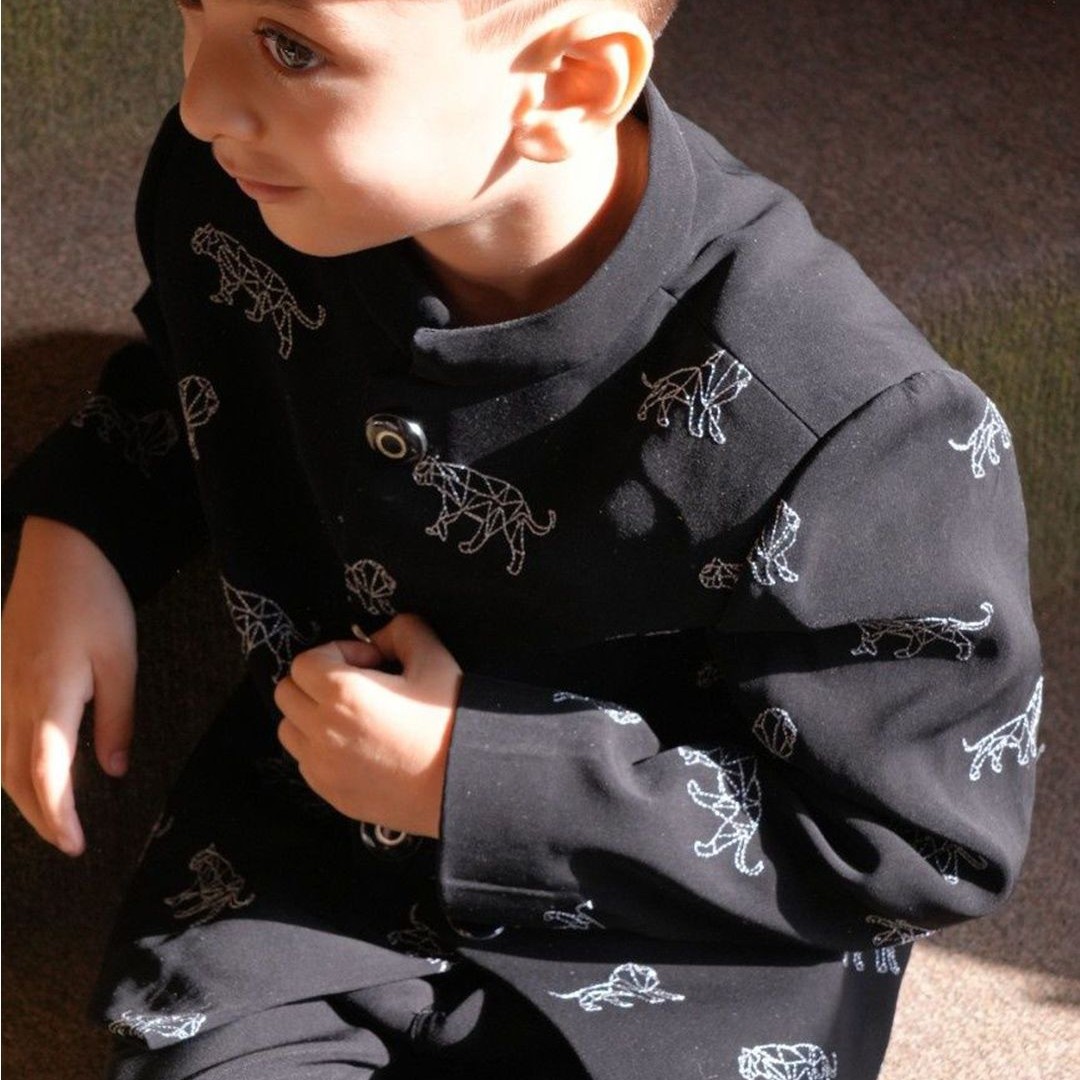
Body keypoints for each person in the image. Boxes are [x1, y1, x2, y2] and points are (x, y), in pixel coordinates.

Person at [2, 0, 1043, 1077]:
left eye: (291, 48)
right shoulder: (242, 189)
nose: (202, 102)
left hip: (686, 970)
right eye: (192, 9)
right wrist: (79, 525)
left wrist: (472, 777)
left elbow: (920, 842)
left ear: (569, 84)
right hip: (308, 888)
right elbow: (194, 370)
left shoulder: (855, 422)